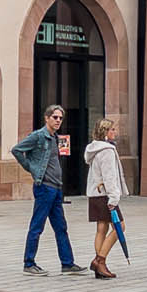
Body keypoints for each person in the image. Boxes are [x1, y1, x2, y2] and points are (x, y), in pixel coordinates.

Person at [10, 105, 85, 275]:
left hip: (56, 188)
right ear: (47, 118)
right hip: (44, 188)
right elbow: (16, 150)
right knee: (37, 226)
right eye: (55, 117)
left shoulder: (55, 138)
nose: (58, 120)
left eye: (60, 118)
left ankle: (67, 263)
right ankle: (29, 263)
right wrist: (33, 169)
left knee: (61, 227)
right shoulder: (38, 136)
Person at [81, 118, 128, 280]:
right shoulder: (107, 150)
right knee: (119, 227)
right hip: (105, 195)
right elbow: (109, 176)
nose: (115, 132)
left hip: (95, 193)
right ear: (105, 132)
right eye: (112, 129)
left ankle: (100, 265)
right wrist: (114, 197)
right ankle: (99, 260)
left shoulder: (94, 149)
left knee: (102, 228)